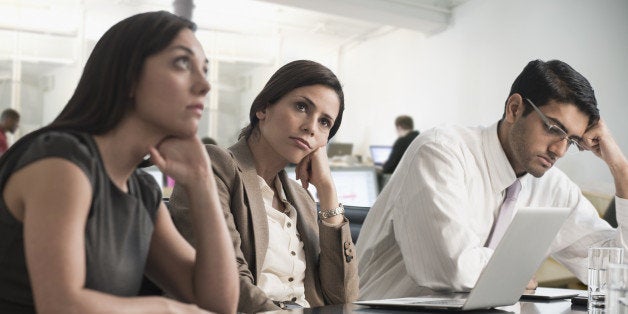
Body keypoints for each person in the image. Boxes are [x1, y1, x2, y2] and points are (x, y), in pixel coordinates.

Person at [0, 11, 238, 313]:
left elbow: (220, 304)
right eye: (182, 63)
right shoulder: (61, 161)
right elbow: (61, 305)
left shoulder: (140, 191)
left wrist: (202, 181)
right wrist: (170, 309)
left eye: (205, 70)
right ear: (127, 78)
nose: (205, 85)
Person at [357, 59, 628, 300]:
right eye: (553, 129)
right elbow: (452, 268)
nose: (559, 150)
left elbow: (616, 274)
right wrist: (516, 274)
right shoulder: (441, 151)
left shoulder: (554, 188)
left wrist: (621, 169)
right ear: (514, 108)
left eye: (571, 140)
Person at [169, 60, 359, 312]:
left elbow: (343, 298)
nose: (311, 127)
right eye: (302, 107)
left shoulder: (300, 198)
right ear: (263, 108)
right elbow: (228, 279)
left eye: (325, 122)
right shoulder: (216, 166)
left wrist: (327, 190)